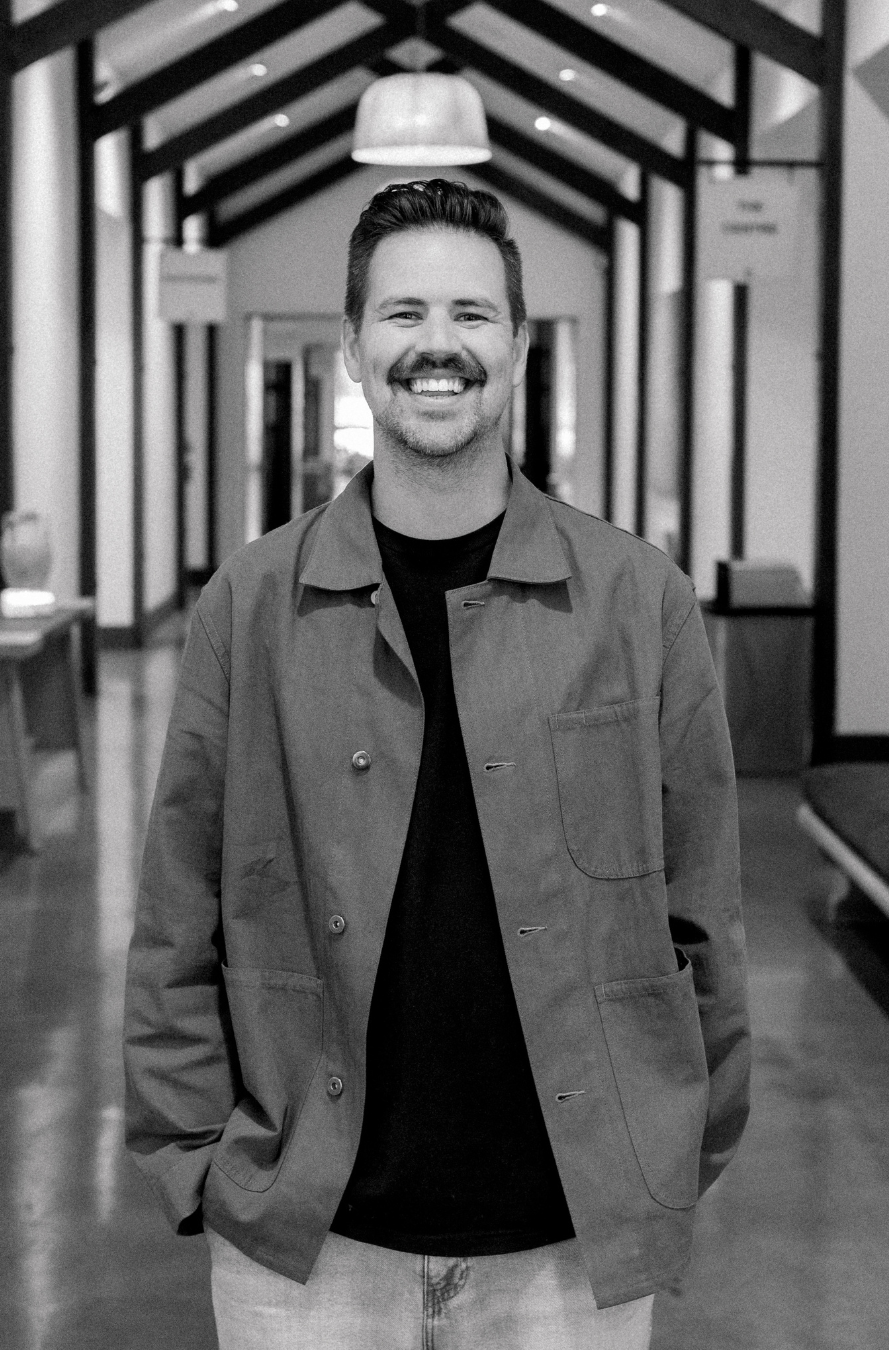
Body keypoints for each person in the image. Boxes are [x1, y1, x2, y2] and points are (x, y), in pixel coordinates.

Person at [124, 178, 750, 1350]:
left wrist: (675, 1146)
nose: (438, 344)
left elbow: (702, 908)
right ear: (354, 346)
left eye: (472, 313)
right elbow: (177, 910)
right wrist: (198, 1160)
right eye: (403, 312)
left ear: (518, 344)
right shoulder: (252, 605)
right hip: (306, 1241)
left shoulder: (636, 600)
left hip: (569, 1243)